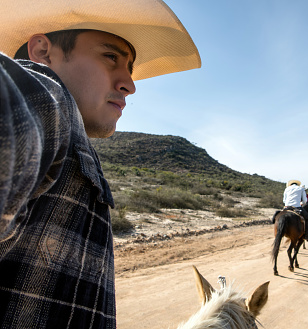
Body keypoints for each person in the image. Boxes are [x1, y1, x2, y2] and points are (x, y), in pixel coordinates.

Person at [0, 1, 200, 327]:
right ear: (42, 51)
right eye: (110, 57)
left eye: (130, 69)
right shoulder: (50, 100)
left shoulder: (69, 131)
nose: (129, 85)